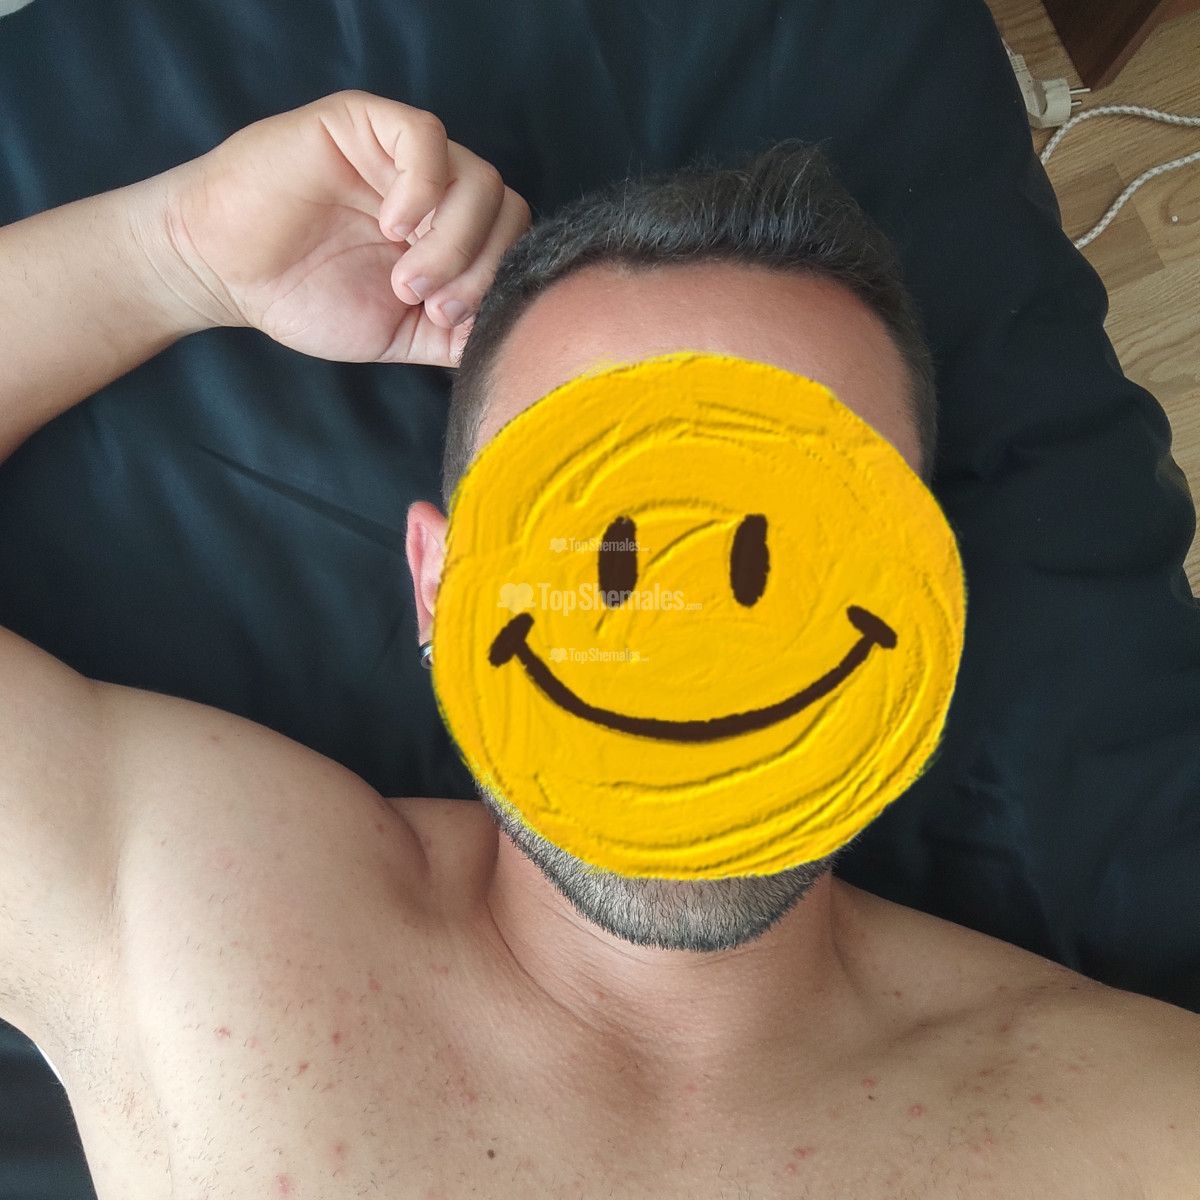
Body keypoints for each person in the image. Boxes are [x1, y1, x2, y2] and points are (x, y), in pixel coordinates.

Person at [0, 90, 1196, 1200]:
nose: (695, 634)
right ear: (439, 589)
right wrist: (175, 254)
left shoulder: (1143, 1120)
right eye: (601, 547)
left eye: (800, 543)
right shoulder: (214, 920)